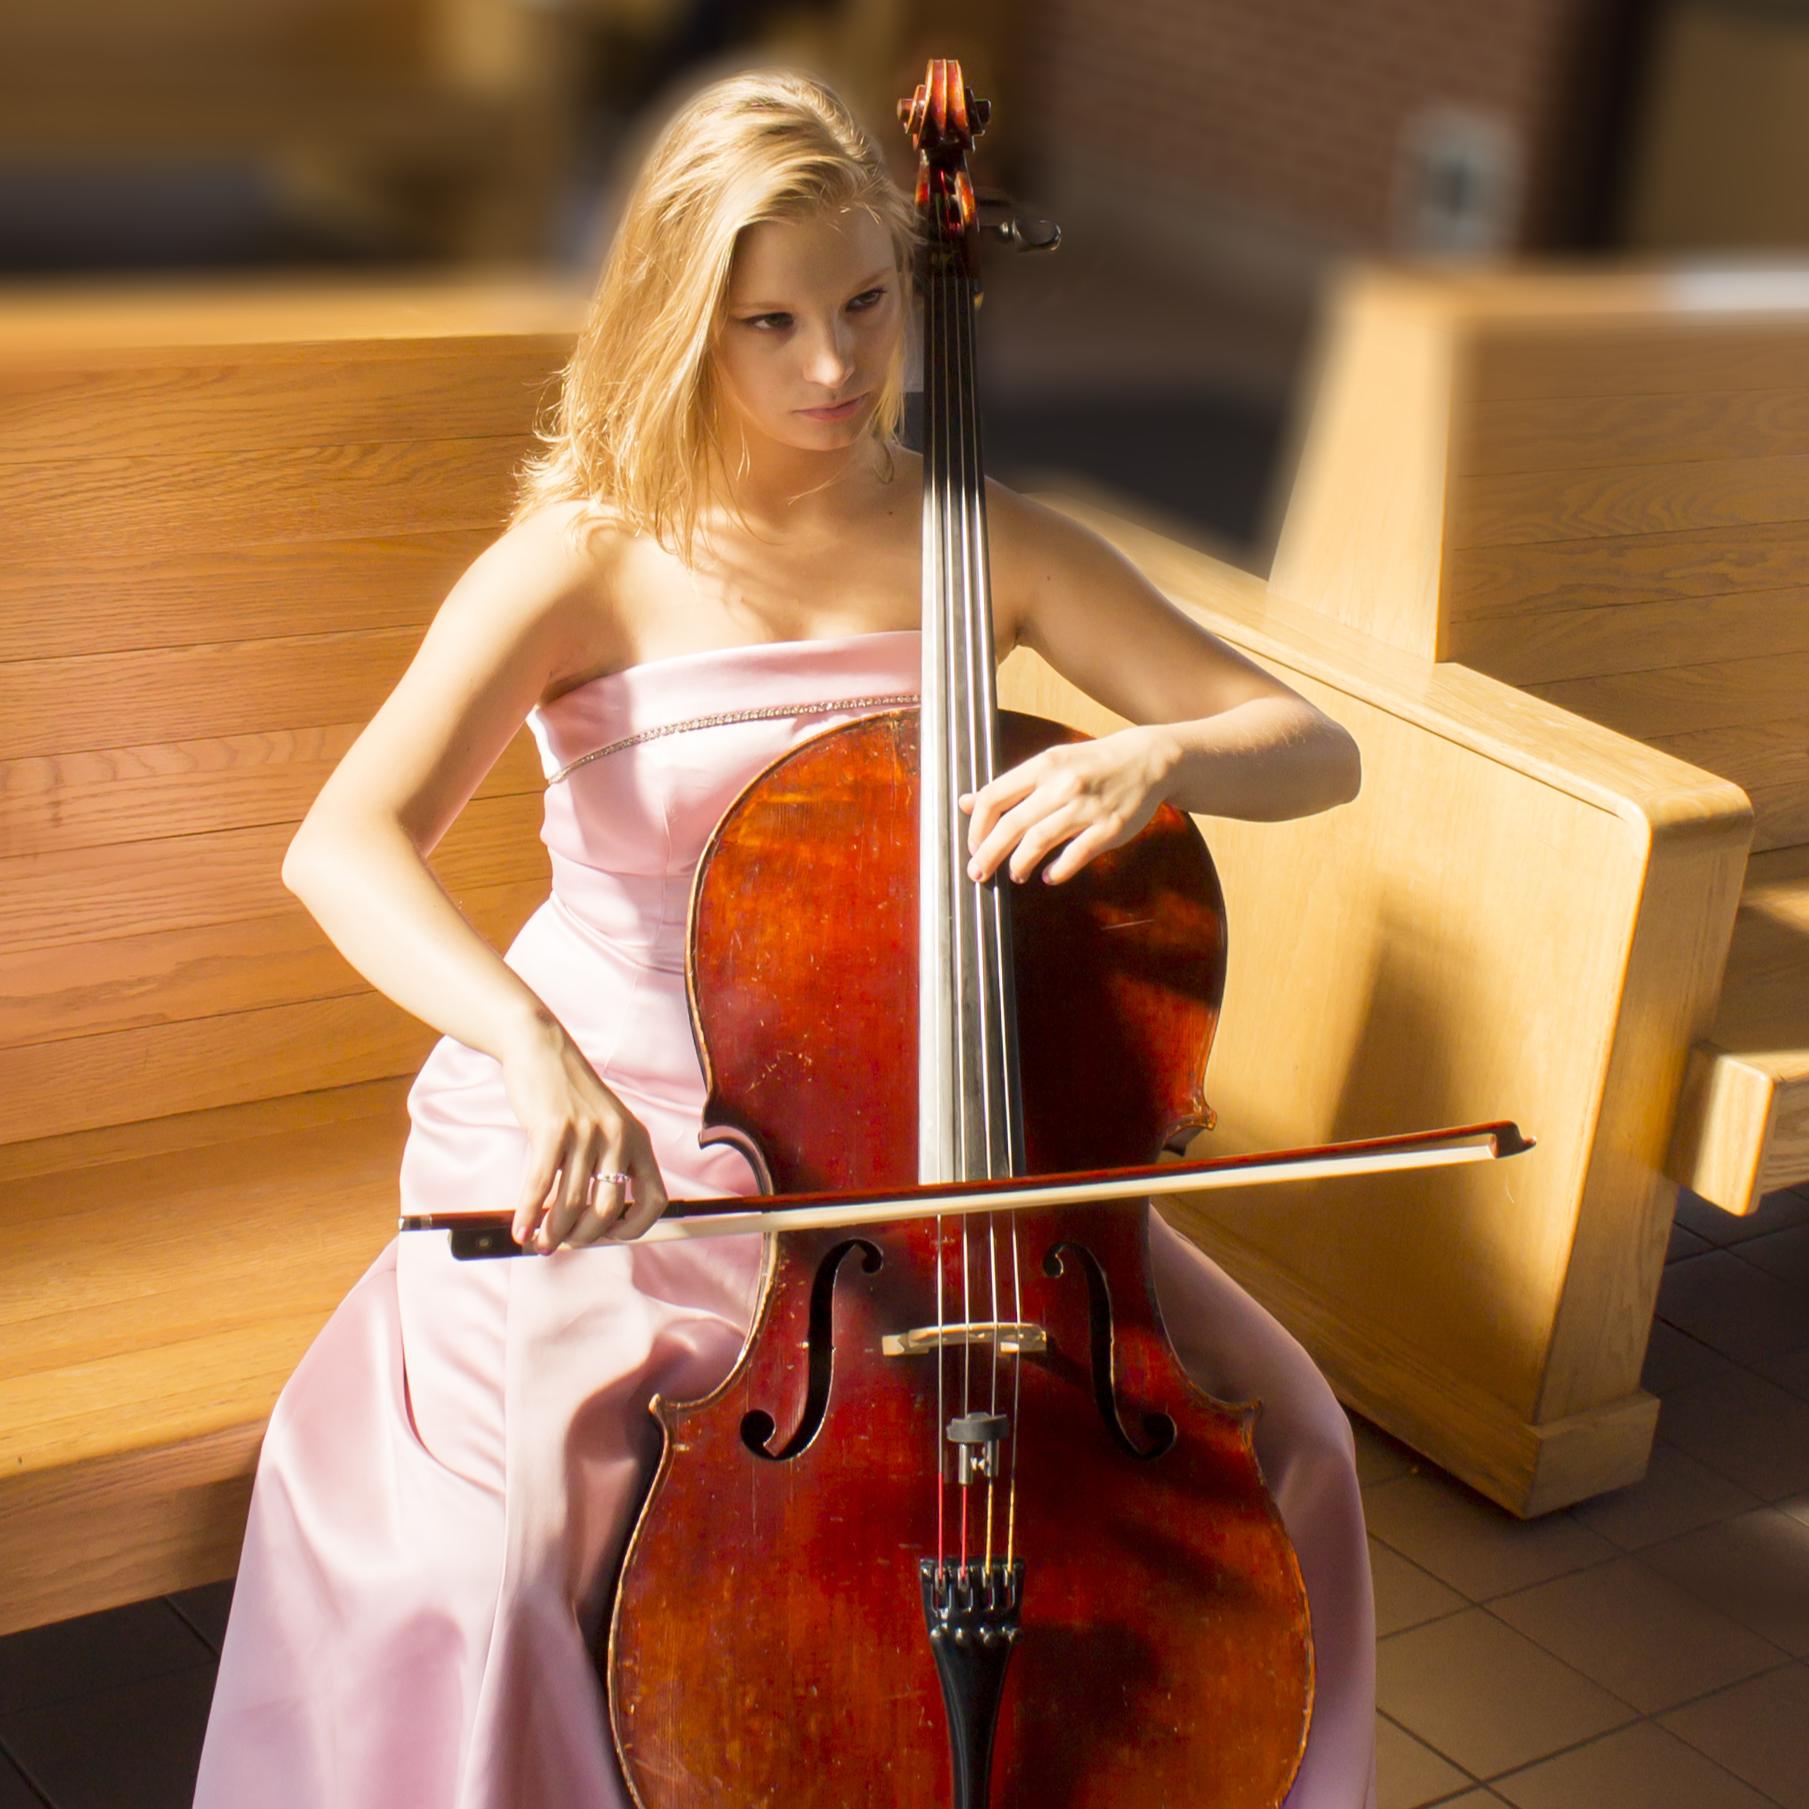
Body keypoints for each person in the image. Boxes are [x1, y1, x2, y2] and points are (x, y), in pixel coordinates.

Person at [192, 65, 1377, 1809]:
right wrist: (531, 1048)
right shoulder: (580, 561)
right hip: (624, 1139)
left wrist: (1162, 755)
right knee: (517, 1546)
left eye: (864, 304)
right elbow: (342, 845)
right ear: (683, 321)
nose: (833, 365)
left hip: (934, 1142)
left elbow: (1316, 751)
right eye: (767, 322)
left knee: (1291, 1438)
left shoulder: (992, 544)